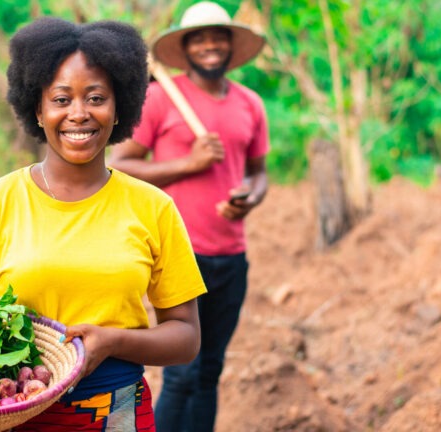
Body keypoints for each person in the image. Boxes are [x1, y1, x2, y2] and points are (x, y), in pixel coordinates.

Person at [0, 16, 207, 431]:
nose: (79, 114)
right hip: (11, 415)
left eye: (96, 98)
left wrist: (115, 341)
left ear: (120, 106)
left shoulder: (153, 208)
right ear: (37, 109)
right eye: (61, 100)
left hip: (116, 415)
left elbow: (186, 338)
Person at [107, 2, 269, 431]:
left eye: (219, 37)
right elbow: (118, 164)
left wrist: (248, 198)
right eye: (200, 38)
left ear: (231, 46)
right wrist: (187, 165)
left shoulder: (250, 104)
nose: (211, 45)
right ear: (185, 47)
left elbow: (258, 173)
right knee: (182, 374)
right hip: (180, 254)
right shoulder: (159, 98)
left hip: (232, 255)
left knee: (211, 370)